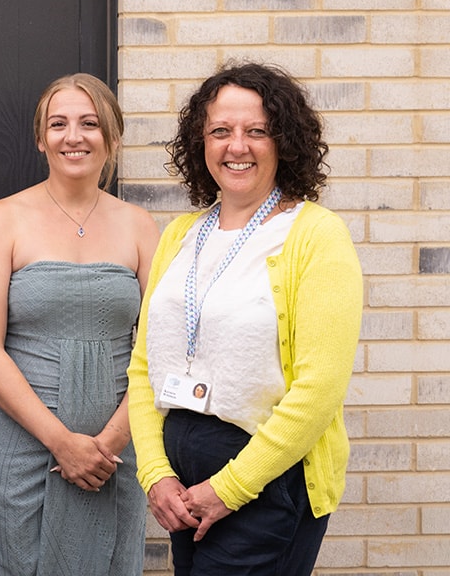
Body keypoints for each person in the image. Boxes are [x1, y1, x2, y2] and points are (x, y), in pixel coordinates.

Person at [127, 62, 363, 575]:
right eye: (220, 131)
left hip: (266, 480)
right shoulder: (181, 235)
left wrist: (229, 488)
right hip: (183, 481)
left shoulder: (316, 236)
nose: (237, 146)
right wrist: (155, 474)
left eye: (257, 131)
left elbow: (319, 390)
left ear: (285, 142)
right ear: (201, 143)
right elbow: (144, 367)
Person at [0, 73, 159, 575]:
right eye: (58, 124)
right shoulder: (0, 220)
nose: (74, 136)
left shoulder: (140, 226)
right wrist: (61, 442)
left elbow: (162, 347)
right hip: (20, 447)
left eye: (90, 123)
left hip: (115, 451)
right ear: (40, 138)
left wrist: (109, 443)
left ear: (112, 135)